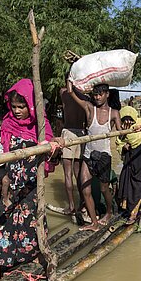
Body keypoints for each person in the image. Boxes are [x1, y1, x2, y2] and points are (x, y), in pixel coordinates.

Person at [0, 79, 63, 281]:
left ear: (31, 105)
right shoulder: (7, 124)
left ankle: (38, 256)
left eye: (22, 106)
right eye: (14, 107)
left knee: (33, 225)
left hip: (31, 187)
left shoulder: (42, 126)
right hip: (9, 186)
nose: (17, 111)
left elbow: (52, 156)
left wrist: (54, 147)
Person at [68, 81, 122, 232]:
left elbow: (120, 134)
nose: (97, 97)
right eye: (95, 94)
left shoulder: (114, 113)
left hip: (104, 156)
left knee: (105, 189)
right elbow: (71, 92)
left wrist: (130, 131)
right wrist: (71, 76)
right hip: (88, 156)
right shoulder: (89, 108)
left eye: (100, 94)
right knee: (85, 190)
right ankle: (94, 223)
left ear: (107, 94)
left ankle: (109, 212)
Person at [59, 81, 88, 217]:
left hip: (69, 132)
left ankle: (71, 206)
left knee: (68, 173)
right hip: (81, 133)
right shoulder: (85, 96)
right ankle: (82, 203)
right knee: (78, 173)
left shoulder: (63, 92)